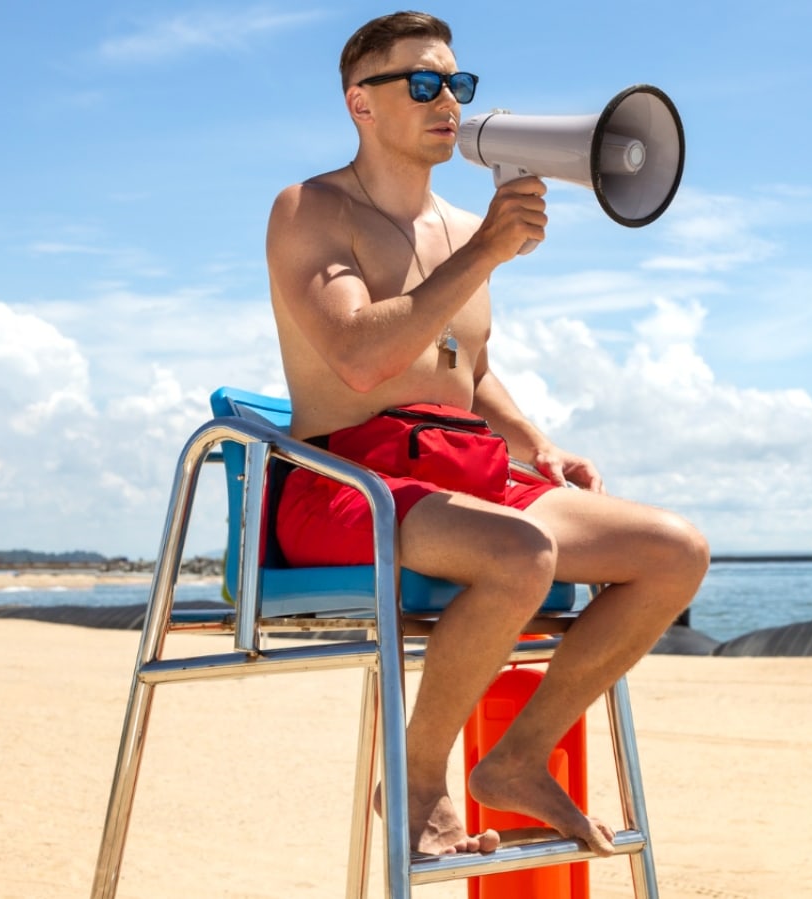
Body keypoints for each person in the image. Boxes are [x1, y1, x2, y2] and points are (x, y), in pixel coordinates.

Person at [263, 11, 709, 858]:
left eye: (457, 84)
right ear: (361, 102)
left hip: (464, 473)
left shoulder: (465, 229)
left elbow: (465, 368)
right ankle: (420, 779)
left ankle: (517, 758)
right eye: (422, 83)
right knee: (519, 552)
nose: (447, 100)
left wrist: (535, 441)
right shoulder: (309, 208)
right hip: (346, 480)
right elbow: (360, 356)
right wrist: (489, 254)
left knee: (674, 551)